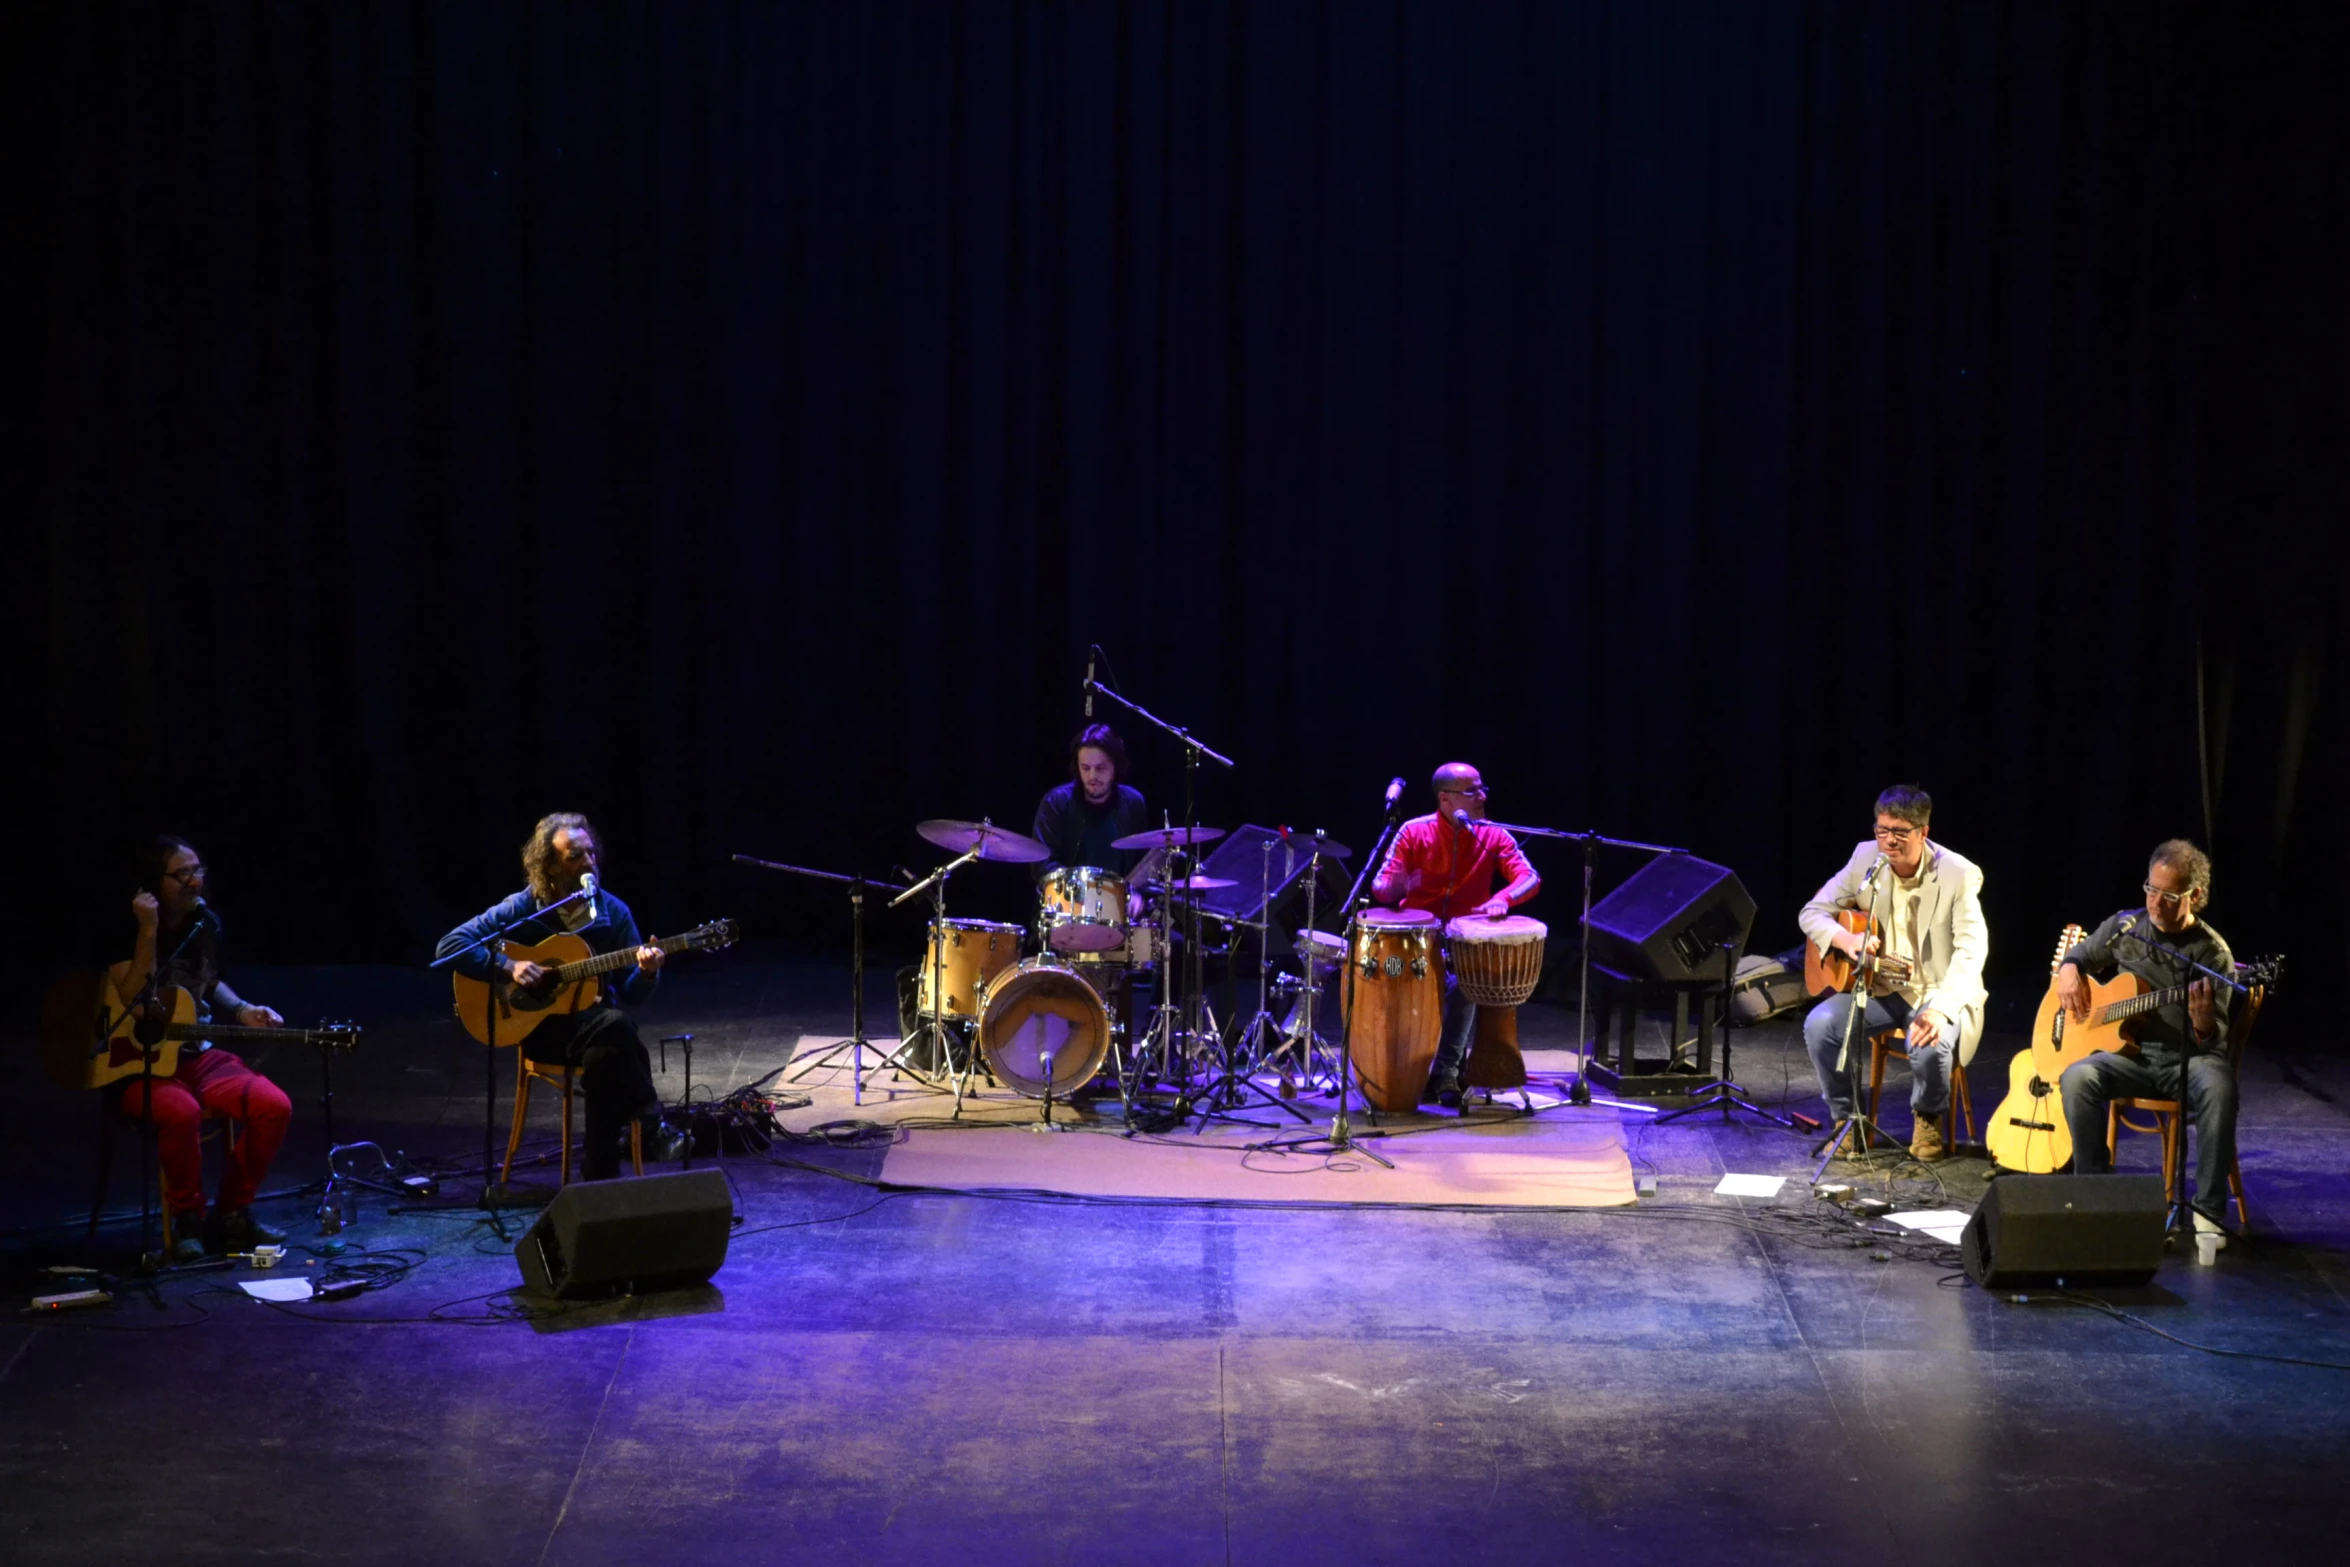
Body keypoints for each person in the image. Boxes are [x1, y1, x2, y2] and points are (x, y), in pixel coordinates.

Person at [436, 813, 683, 1180]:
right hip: (542, 1031)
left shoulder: (612, 912)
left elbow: (632, 993)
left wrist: (648, 971)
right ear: (549, 867)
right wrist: (507, 966)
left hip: (598, 1030)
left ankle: (599, 1173)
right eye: (575, 857)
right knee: (618, 1031)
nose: (588, 863)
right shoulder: (524, 906)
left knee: (608, 1050)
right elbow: (449, 946)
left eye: (591, 854)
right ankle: (651, 1125)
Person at [108, 835, 294, 1263]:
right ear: (155, 882)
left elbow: (207, 981)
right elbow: (134, 996)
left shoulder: (204, 923)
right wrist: (148, 930)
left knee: (273, 1105)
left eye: (198, 871)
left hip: (195, 1054)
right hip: (139, 1064)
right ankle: (187, 1218)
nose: (195, 881)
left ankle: (230, 1213)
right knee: (181, 1111)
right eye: (182, 874)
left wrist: (242, 1008)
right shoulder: (125, 926)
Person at [2055, 839, 2238, 1241]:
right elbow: (2081, 955)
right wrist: (2070, 968)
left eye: (2169, 895)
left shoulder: (2212, 955)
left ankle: (2208, 1216)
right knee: (2077, 1077)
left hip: (2186, 1059)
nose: (2156, 902)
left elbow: (2214, 1042)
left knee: (2220, 1085)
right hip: (2129, 1057)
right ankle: (2095, 1193)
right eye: (2151, 890)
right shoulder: (2126, 927)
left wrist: (2203, 1023)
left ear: (2196, 895)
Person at [1798, 785, 1988, 1162]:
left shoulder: (1958, 873)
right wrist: (1845, 939)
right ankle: (1848, 1119)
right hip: (1880, 990)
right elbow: (1811, 912)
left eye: (1900, 833)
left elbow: (1973, 948)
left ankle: (1928, 1116)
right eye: (1882, 830)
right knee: (1820, 1026)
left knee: (1930, 1045)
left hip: (1934, 990)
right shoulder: (1866, 859)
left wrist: (1941, 1008)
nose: (1888, 841)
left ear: (1923, 832)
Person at [1370, 762, 1540, 1109]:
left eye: (1482, 789)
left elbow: (1529, 876)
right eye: (1472, 791)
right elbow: (1380, 885)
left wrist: (1502, 898)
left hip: (1466, 942)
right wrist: (1397, 885)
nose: (1482, 797)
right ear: (1445, 799)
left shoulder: (1491, 833)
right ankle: (1392, 1068)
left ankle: (1444, 1072)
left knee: (1464, 985)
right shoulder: (1412, 832)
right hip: (1416, 938)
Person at [1031, 723, 1150, 884]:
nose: (1092, 776)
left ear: (1115, 766)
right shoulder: (1056, 802)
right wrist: (1080, 887)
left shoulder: (1133, 802)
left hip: (1117, 903)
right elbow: (1041, 864)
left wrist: (1137, 892)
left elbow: (1143, 864)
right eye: (1085, 768)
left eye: (1100, 768)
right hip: (1069, 902)